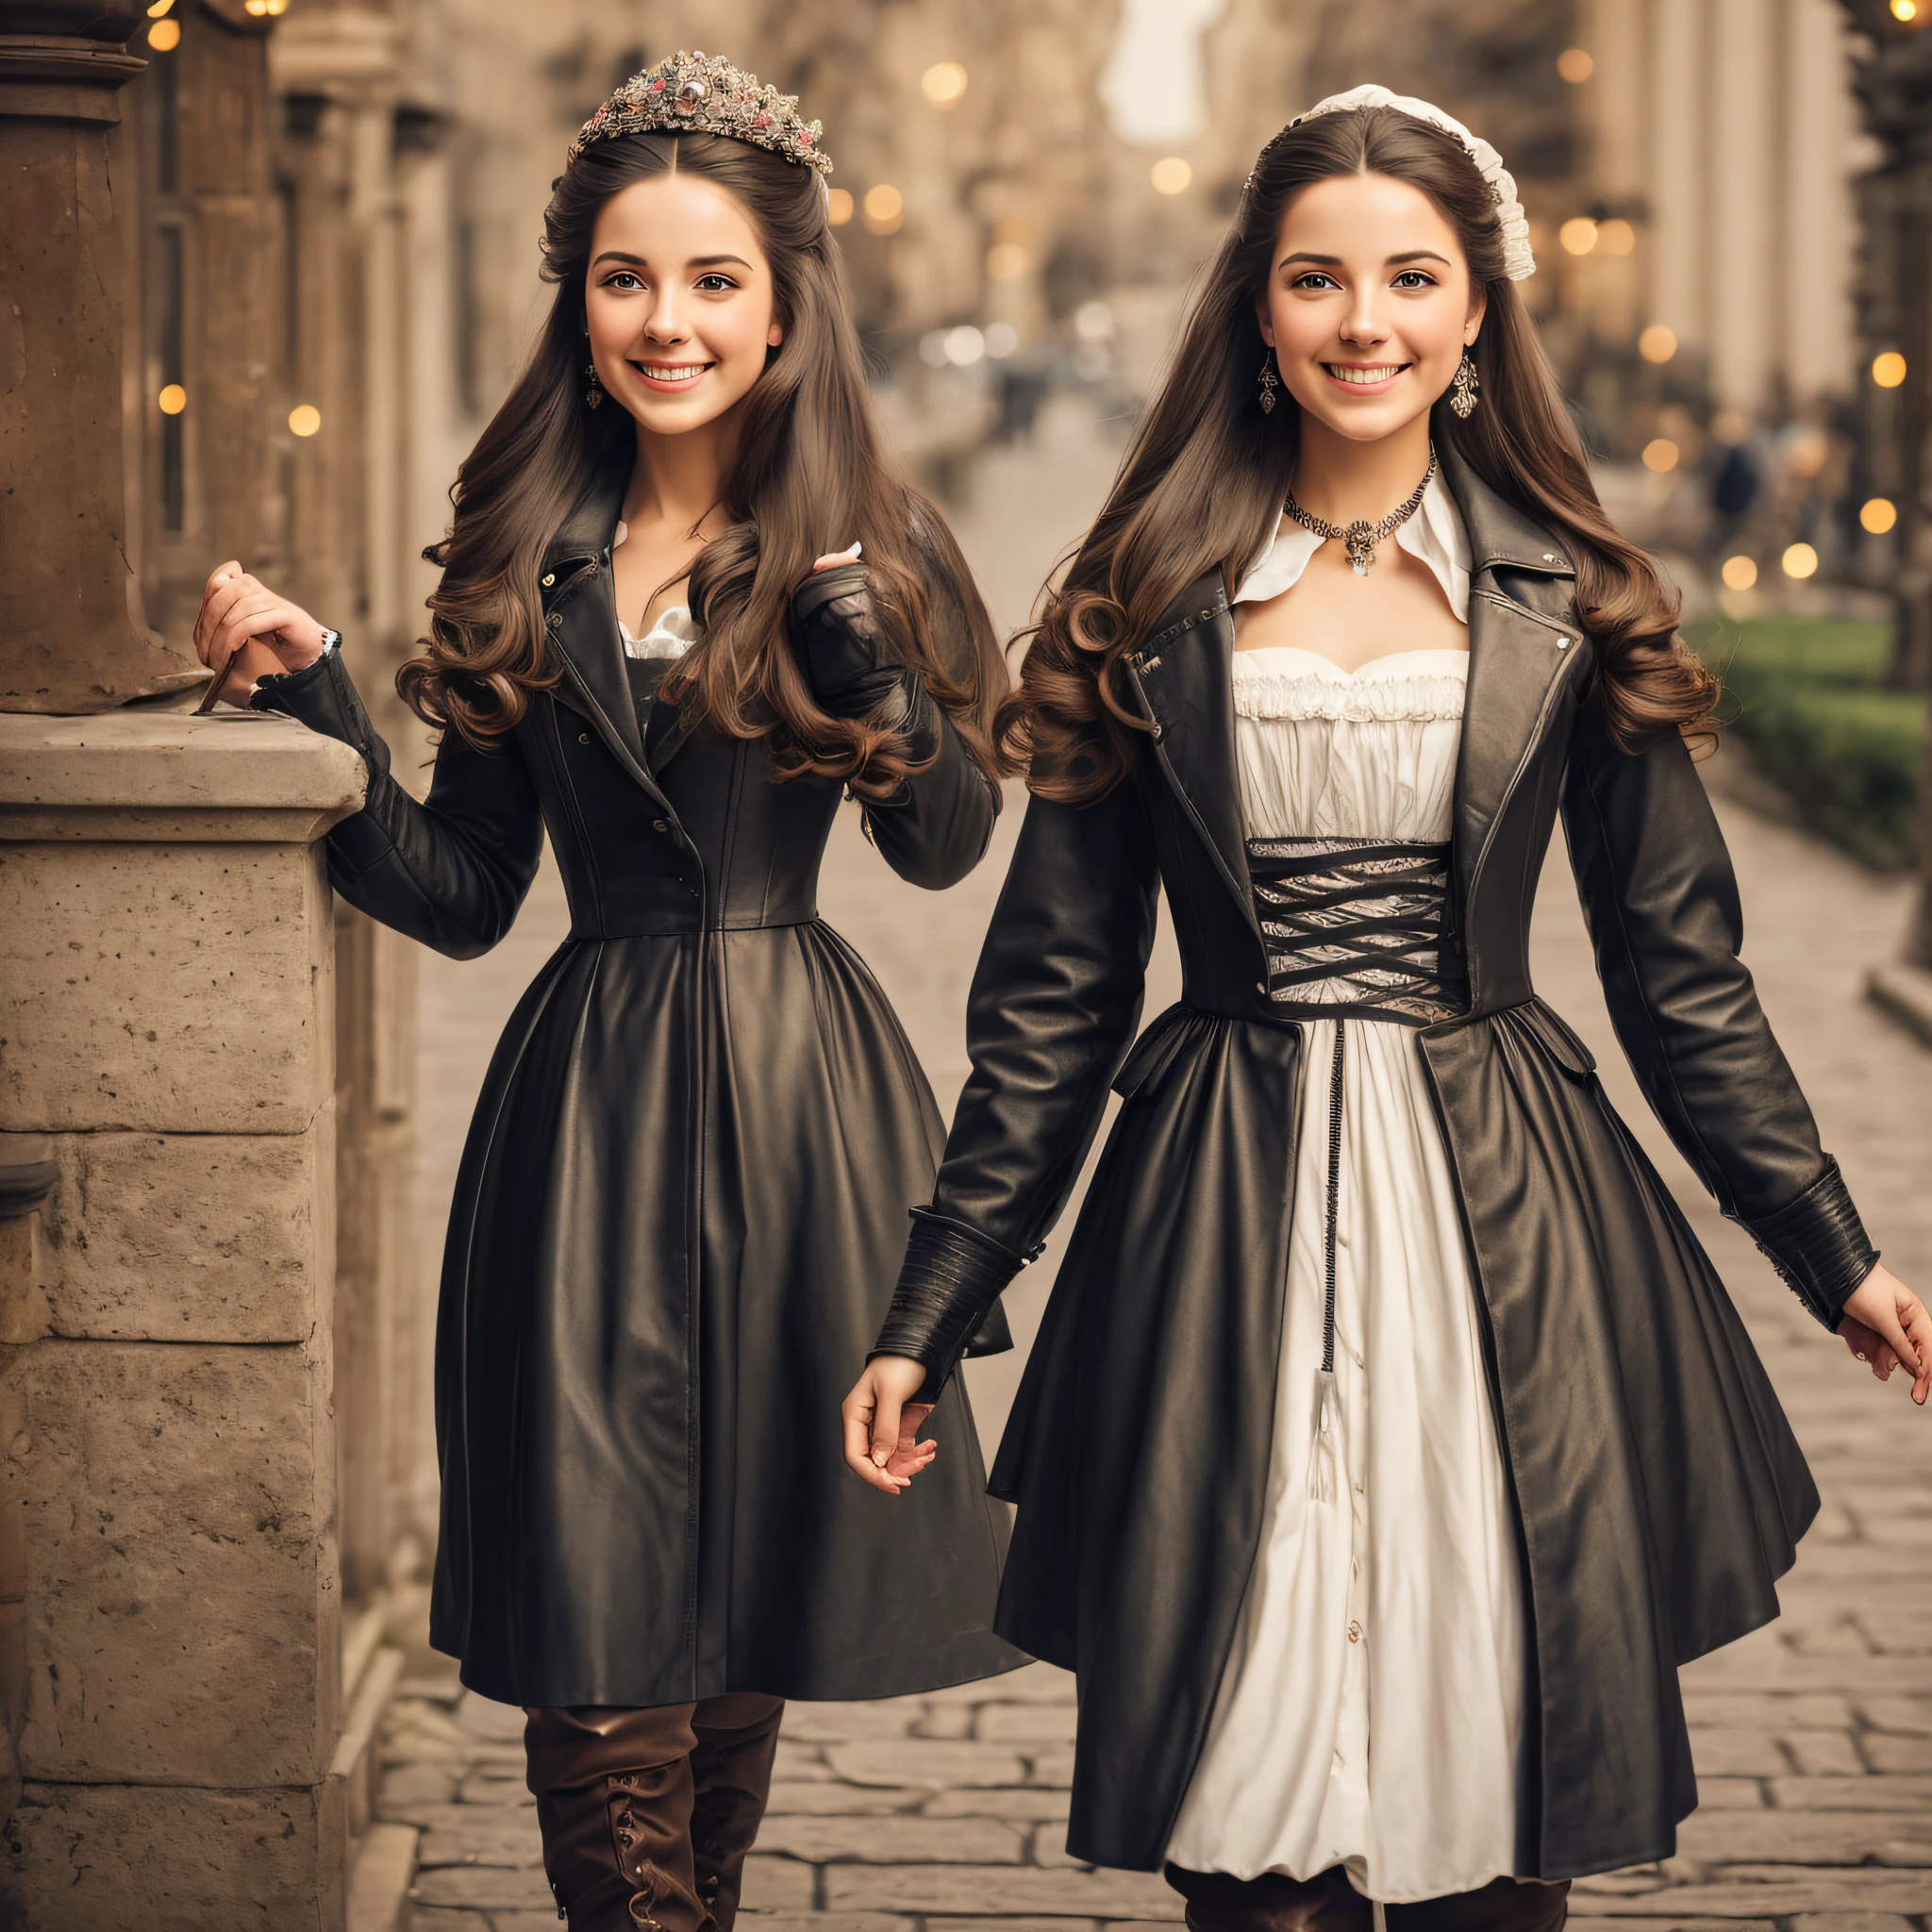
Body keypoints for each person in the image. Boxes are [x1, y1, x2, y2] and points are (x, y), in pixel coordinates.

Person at [841, 85, 1932, 1932]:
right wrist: (933, 1301)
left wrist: (1831, 1246)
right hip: (1216, 1215)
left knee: (1492, 1770)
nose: (1366, 321)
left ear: (1478, 309)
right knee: (1235, 1786)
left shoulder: (1571, 598)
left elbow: (1683, 979)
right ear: (1256, 313)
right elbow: (1052, 1000)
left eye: (1411, 277)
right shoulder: (1145, 600)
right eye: (1317, 279)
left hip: (1501, 1215)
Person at [192, 52, 1022, 1932]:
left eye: (714, 279)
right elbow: (469, 893)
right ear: (575, 300)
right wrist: (323, 704)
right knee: (599, 1624)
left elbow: (950, 844)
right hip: (587, 1119)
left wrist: (864, 657)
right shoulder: (523, 553)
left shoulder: (873, 545)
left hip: (809, 1108)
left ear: (787, 306)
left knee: (735, 1619)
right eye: (628, 277)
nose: (670, 319)